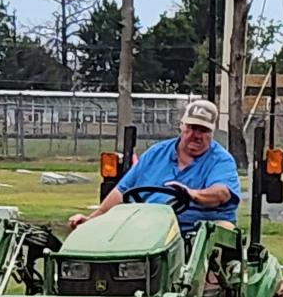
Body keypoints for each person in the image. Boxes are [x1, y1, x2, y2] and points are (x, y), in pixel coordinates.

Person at [70, 99, 241, 233]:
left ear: (211, 132)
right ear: (181, 126)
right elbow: (122, 191)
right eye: (192, 127)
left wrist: (192, 194)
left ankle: (206, 278)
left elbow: (221, 193)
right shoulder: (156, 154)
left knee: (216, 235)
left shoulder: (221, 160)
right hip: (151, 228)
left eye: (203, 130)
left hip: (199, 228)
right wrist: (92, 220)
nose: (196, 135)